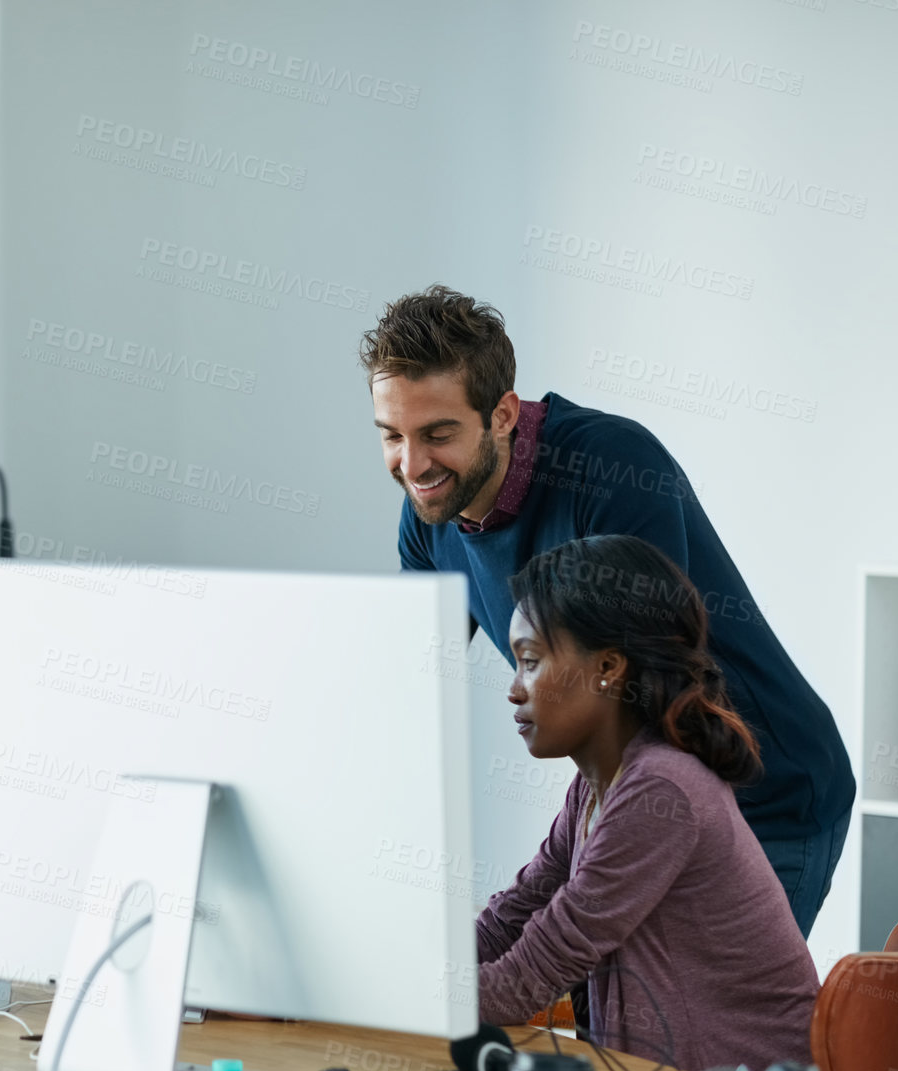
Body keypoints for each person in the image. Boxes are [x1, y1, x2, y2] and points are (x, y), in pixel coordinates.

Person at [363, 285, 852, 936]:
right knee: (609, 1019)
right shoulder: (431, 510)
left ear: (503, 415)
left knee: (702, 1027)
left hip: (766, 786)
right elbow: (407, 686)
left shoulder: (610, 467)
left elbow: (648, 693)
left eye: (438, 434)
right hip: (645, 790)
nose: (413, 464)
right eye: (392, 436)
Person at [476, 534, 818, 1071]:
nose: (515, 690)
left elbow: (523, 981)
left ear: (609, 667)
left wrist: (392, 990)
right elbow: (508, 921)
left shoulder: (660, 791)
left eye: (531, 661)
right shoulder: (598, 788)